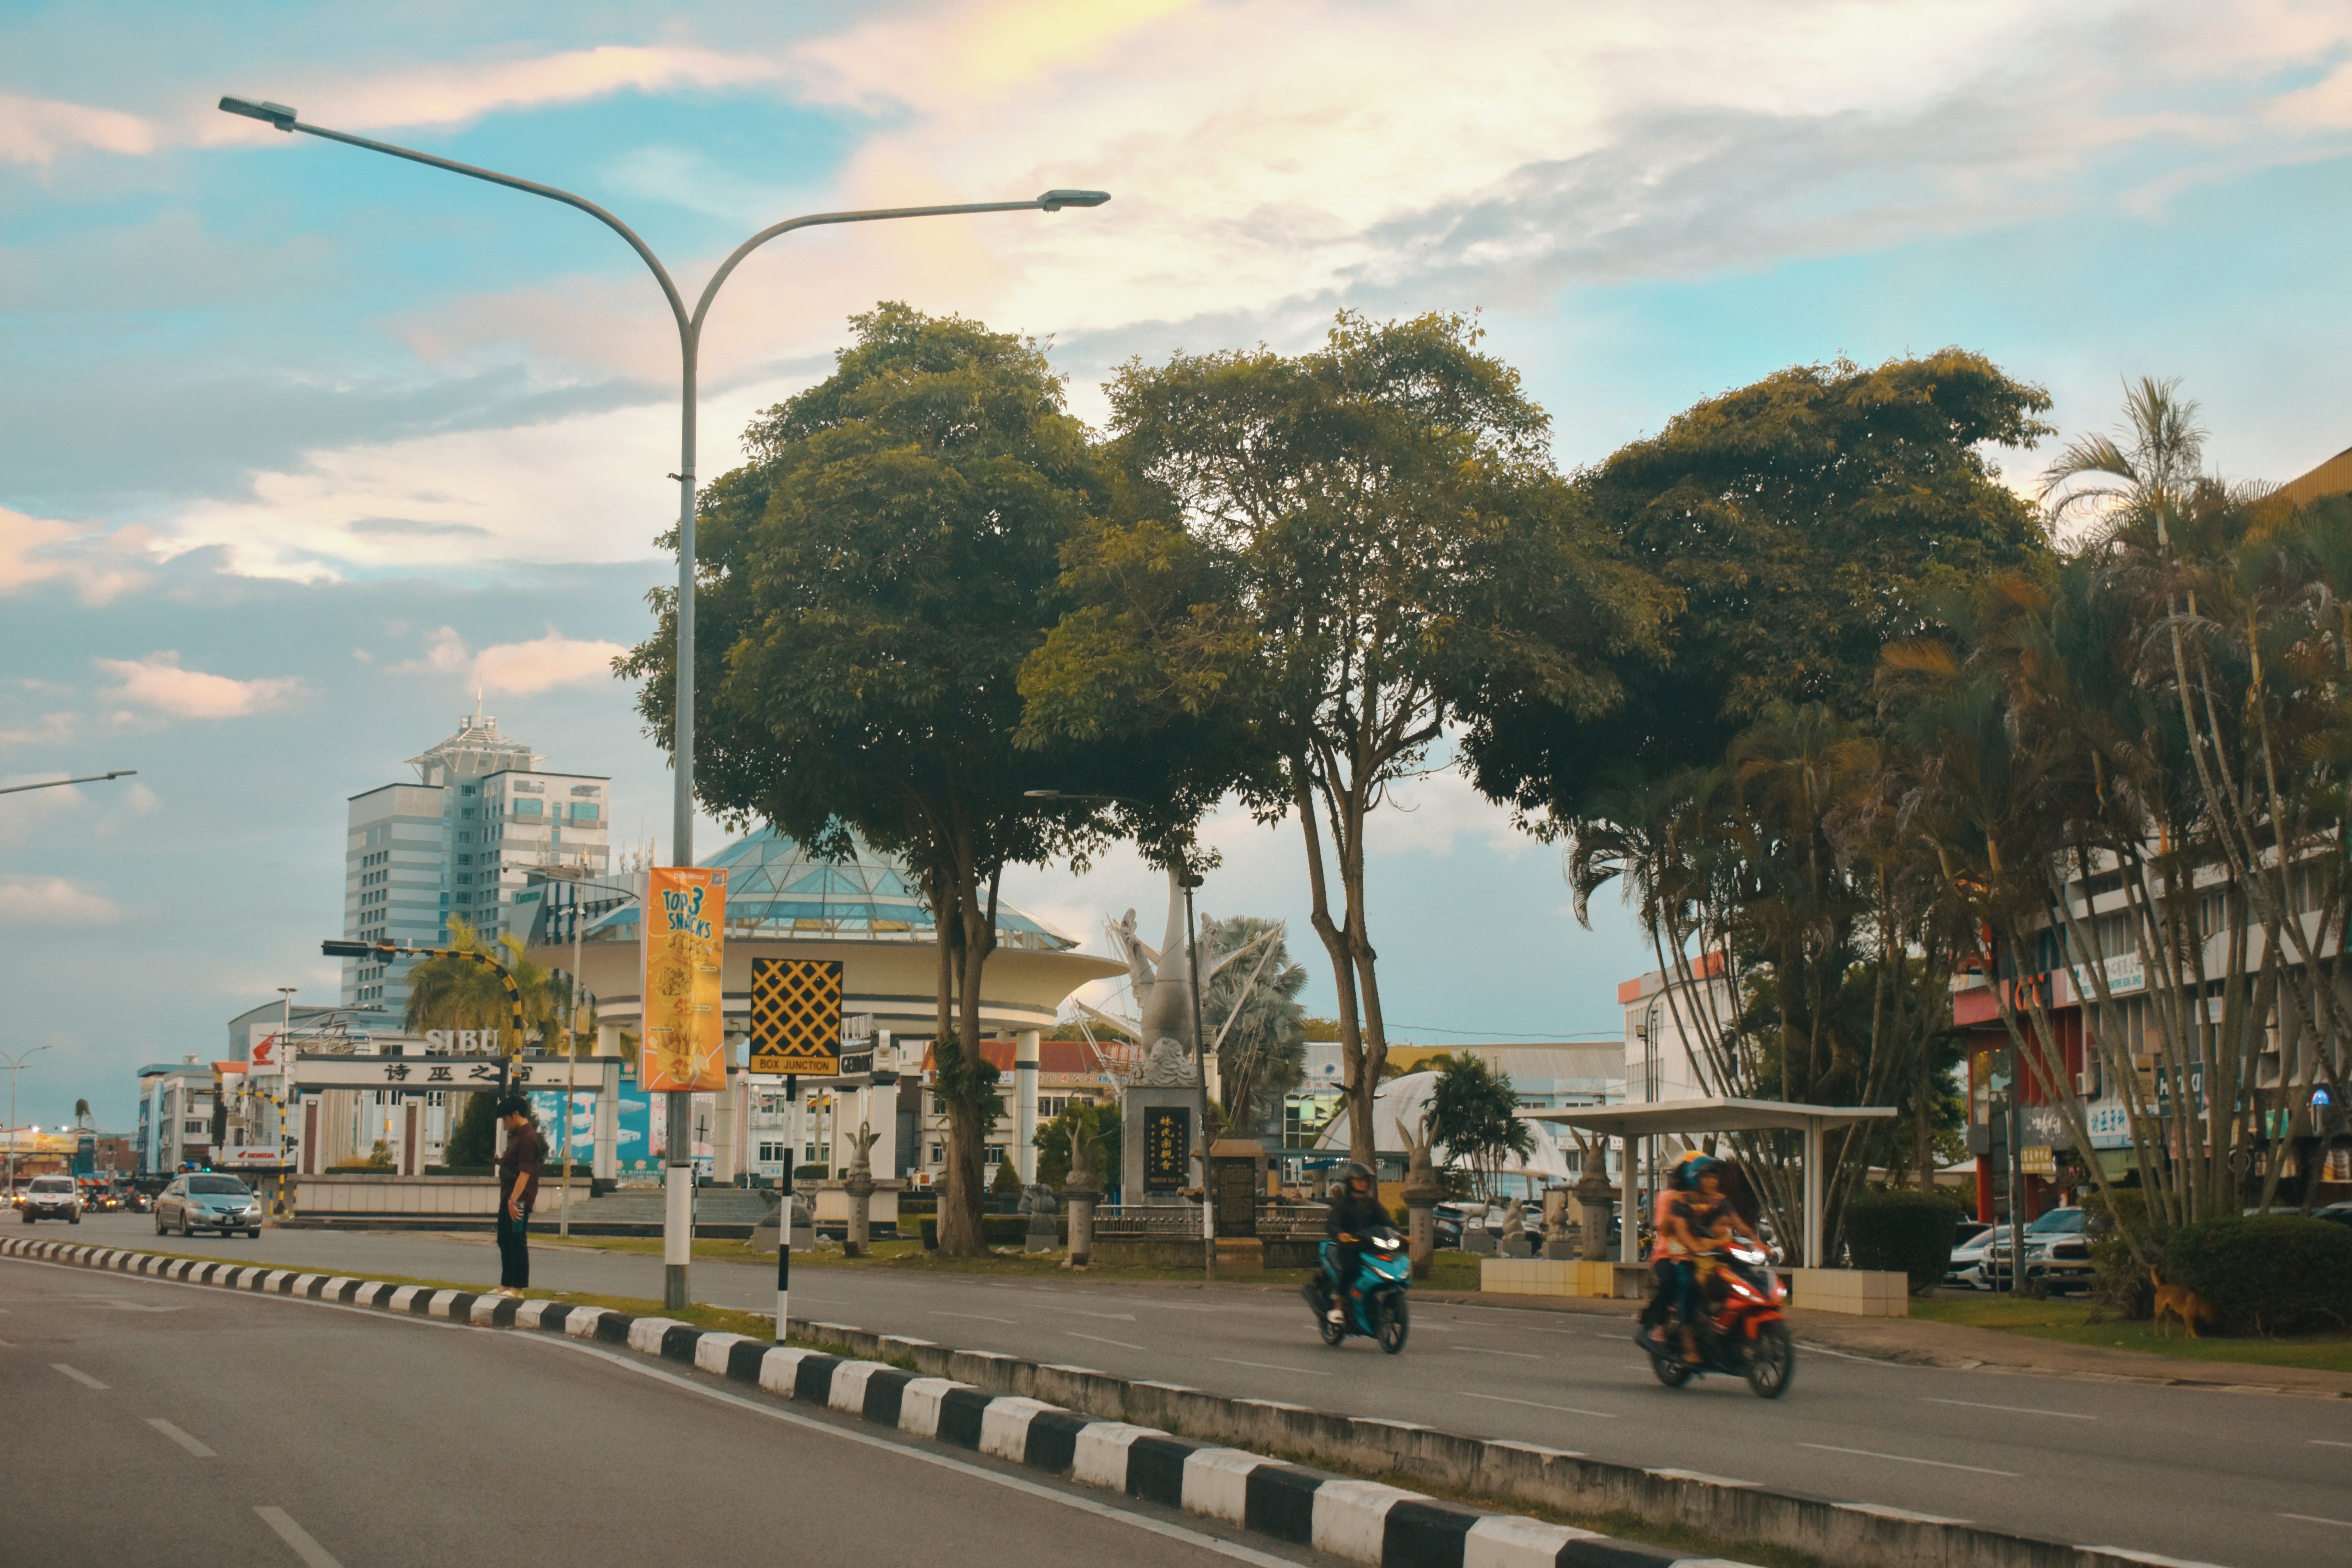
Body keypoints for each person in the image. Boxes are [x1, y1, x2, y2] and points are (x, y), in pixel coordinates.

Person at [1322, 1162, 1390, 1324]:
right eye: (1358, 1180)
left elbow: (1387, 1222)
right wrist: (1341, 1233)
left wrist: (1402, 1235)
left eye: (1365, 1180)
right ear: (1350, 1182)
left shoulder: (1372, 1204)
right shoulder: (1343, 1203)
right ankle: (1339, 1306)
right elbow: (1333, 1223)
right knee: (1351, 1268)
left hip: (1370, 1247)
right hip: (1349, 1248)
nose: (1363, 1183)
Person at [492, 1094, 544, 1298]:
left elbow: (525, 1173)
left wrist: (514, 1200)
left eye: (506, 1119)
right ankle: (506, 1284)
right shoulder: (517, 1136)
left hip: (519, 1199)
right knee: (504, 1240)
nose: (505, 1124)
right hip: (509, 1197)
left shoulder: (528, 1138)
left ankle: (518, 1288)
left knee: (517, 1241)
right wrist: (501, 1161)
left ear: (516, 1115)